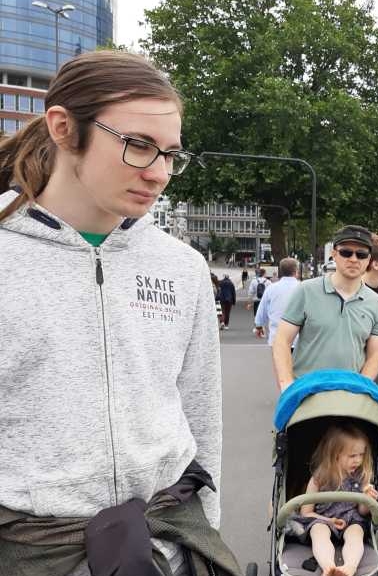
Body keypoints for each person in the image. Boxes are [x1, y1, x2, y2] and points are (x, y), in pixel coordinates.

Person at [0, 51, 237, 575]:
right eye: (138, 146)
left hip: (168, 547)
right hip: (32, 551)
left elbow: (202, 417)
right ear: (64, 127)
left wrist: (205, 536)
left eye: (171, 154)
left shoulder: (182, 267)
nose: (159, 173)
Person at [273, 225, 378, 391]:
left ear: (369, 259)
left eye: (361, 254)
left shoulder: (376, 303)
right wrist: (286, 385)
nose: (353, 259)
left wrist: (361, 387)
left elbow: (376, 354)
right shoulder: (306, 291)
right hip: (306, 392)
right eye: (346, 252)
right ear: (334, 254)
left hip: (349, 396)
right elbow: (282, 340)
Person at [296, 425, 378, 576]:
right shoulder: (319, 479)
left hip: (351, 519)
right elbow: (306, 513)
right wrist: (328, 520)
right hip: (323, 520)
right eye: (352, 456)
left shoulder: (361, 477)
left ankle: (349, 567)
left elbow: (362, 511)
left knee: (356, 533)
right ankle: (328, 567)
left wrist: (367, 499)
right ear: (335, 455)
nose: (359, 460)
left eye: (361, 454)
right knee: (318, 532)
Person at [254, 257, 301, 346]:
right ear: (296, 271)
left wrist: (259, 326)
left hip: (276, 337)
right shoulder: (303, 288)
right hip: (298, 339)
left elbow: (262, 310)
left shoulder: (271, 288)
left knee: (279, 360)